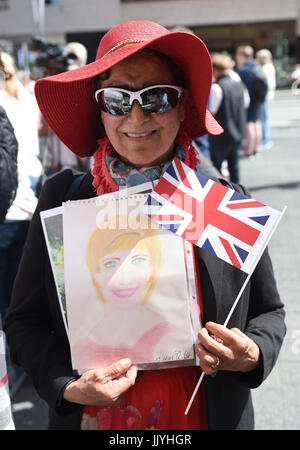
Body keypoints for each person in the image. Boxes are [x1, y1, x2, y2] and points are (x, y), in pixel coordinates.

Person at [4, 21, 286, 430]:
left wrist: (253, 352)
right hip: (96, 418)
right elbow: (23, 321)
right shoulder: (65, 201)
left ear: (183, 105)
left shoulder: (219, 202)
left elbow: (268, 312)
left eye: (156, 97)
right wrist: (67, 387)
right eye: (117, 98)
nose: (136, 115)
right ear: (100, 111)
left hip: (204, 414)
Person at [208, 53, 246, 183]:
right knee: (234, 166)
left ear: (216, 70)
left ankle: (219, 193)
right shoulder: (239, 83)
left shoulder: (217, 87)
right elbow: (246, 103)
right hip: (238, 131)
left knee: (216, 167)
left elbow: (212, 112)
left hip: (221, 135)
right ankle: (239, 194)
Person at [235, 45, 265, 158]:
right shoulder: (256, 65)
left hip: (249, 100)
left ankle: (249, 150)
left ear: (242, 55)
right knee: (257, 123)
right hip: (259, 99)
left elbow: (243, 88)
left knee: (249, 124)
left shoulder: (244, 70)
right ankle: (255, 148)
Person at [255, 49, 276, 150]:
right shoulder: (269, 67)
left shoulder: (265, 68)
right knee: (265, 119)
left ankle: (266, 140)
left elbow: (265, 84)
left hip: (264, 96)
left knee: (263, 119)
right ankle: (266, 140)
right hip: (268, 96)